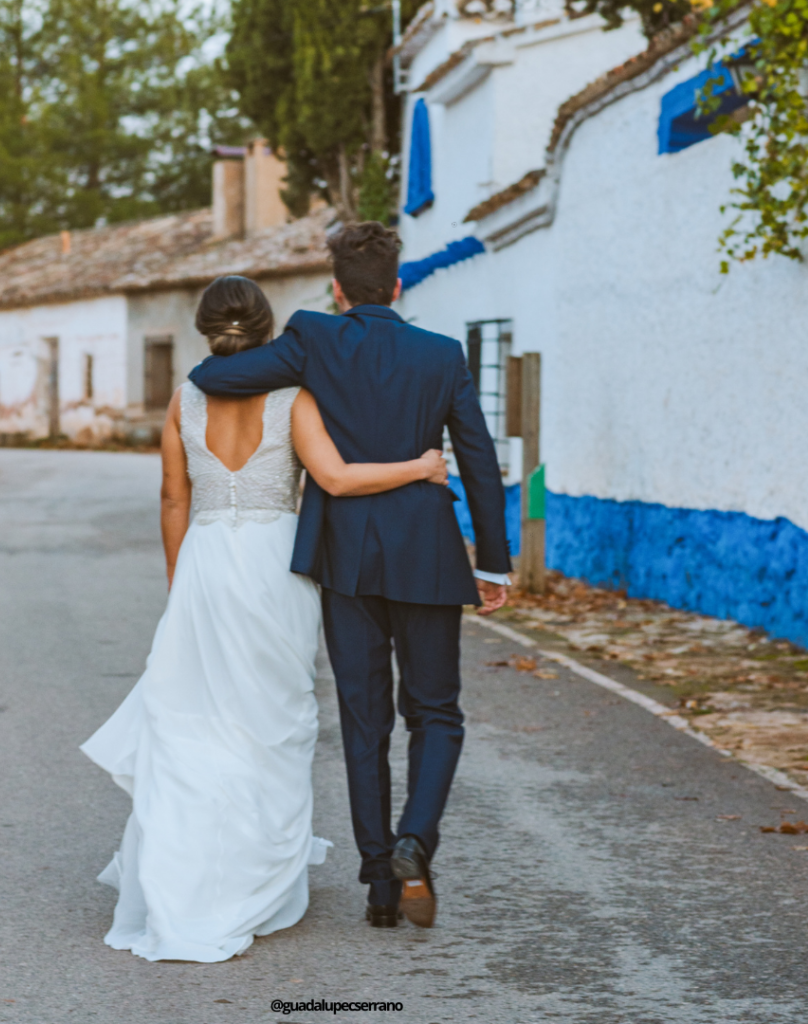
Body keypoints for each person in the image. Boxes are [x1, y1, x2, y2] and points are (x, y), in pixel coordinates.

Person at [81, 274, 450, 963]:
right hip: (276, 568)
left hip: (204, 563)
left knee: (193, 722)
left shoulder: (185, 398)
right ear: (268, 328)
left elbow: (172, 498)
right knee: (270, 723)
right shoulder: (291, 397)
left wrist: (180, 585)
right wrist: (419, 466)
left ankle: (183, 874)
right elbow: (337, 480)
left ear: (204, 330)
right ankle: (256, 881)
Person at [190, 221, 512, 930]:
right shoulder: (441, 355)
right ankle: (414, 842)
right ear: (398, 286)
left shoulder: (315, 338)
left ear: (338, 289)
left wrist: (279, 355)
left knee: (364, 721)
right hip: (428, 553)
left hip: (346, 556)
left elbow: (212, 376)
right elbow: (480, 461)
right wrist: (493, 562)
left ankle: (378, 886)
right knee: (435, 713)